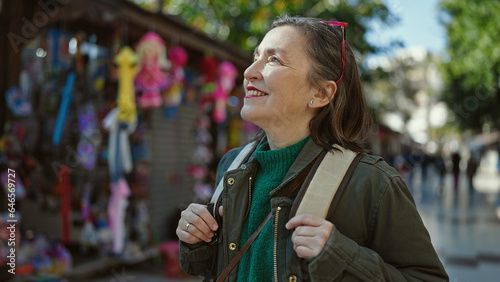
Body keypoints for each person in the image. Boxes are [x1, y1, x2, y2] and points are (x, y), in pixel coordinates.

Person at [177, 16, 448, 281]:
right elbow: (215, 268)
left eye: (273, 60)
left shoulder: (373, 182)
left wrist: (340, 255)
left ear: (321, 94)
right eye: (255, 57)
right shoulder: (232, 165)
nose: (249, 72)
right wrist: (196, 239)